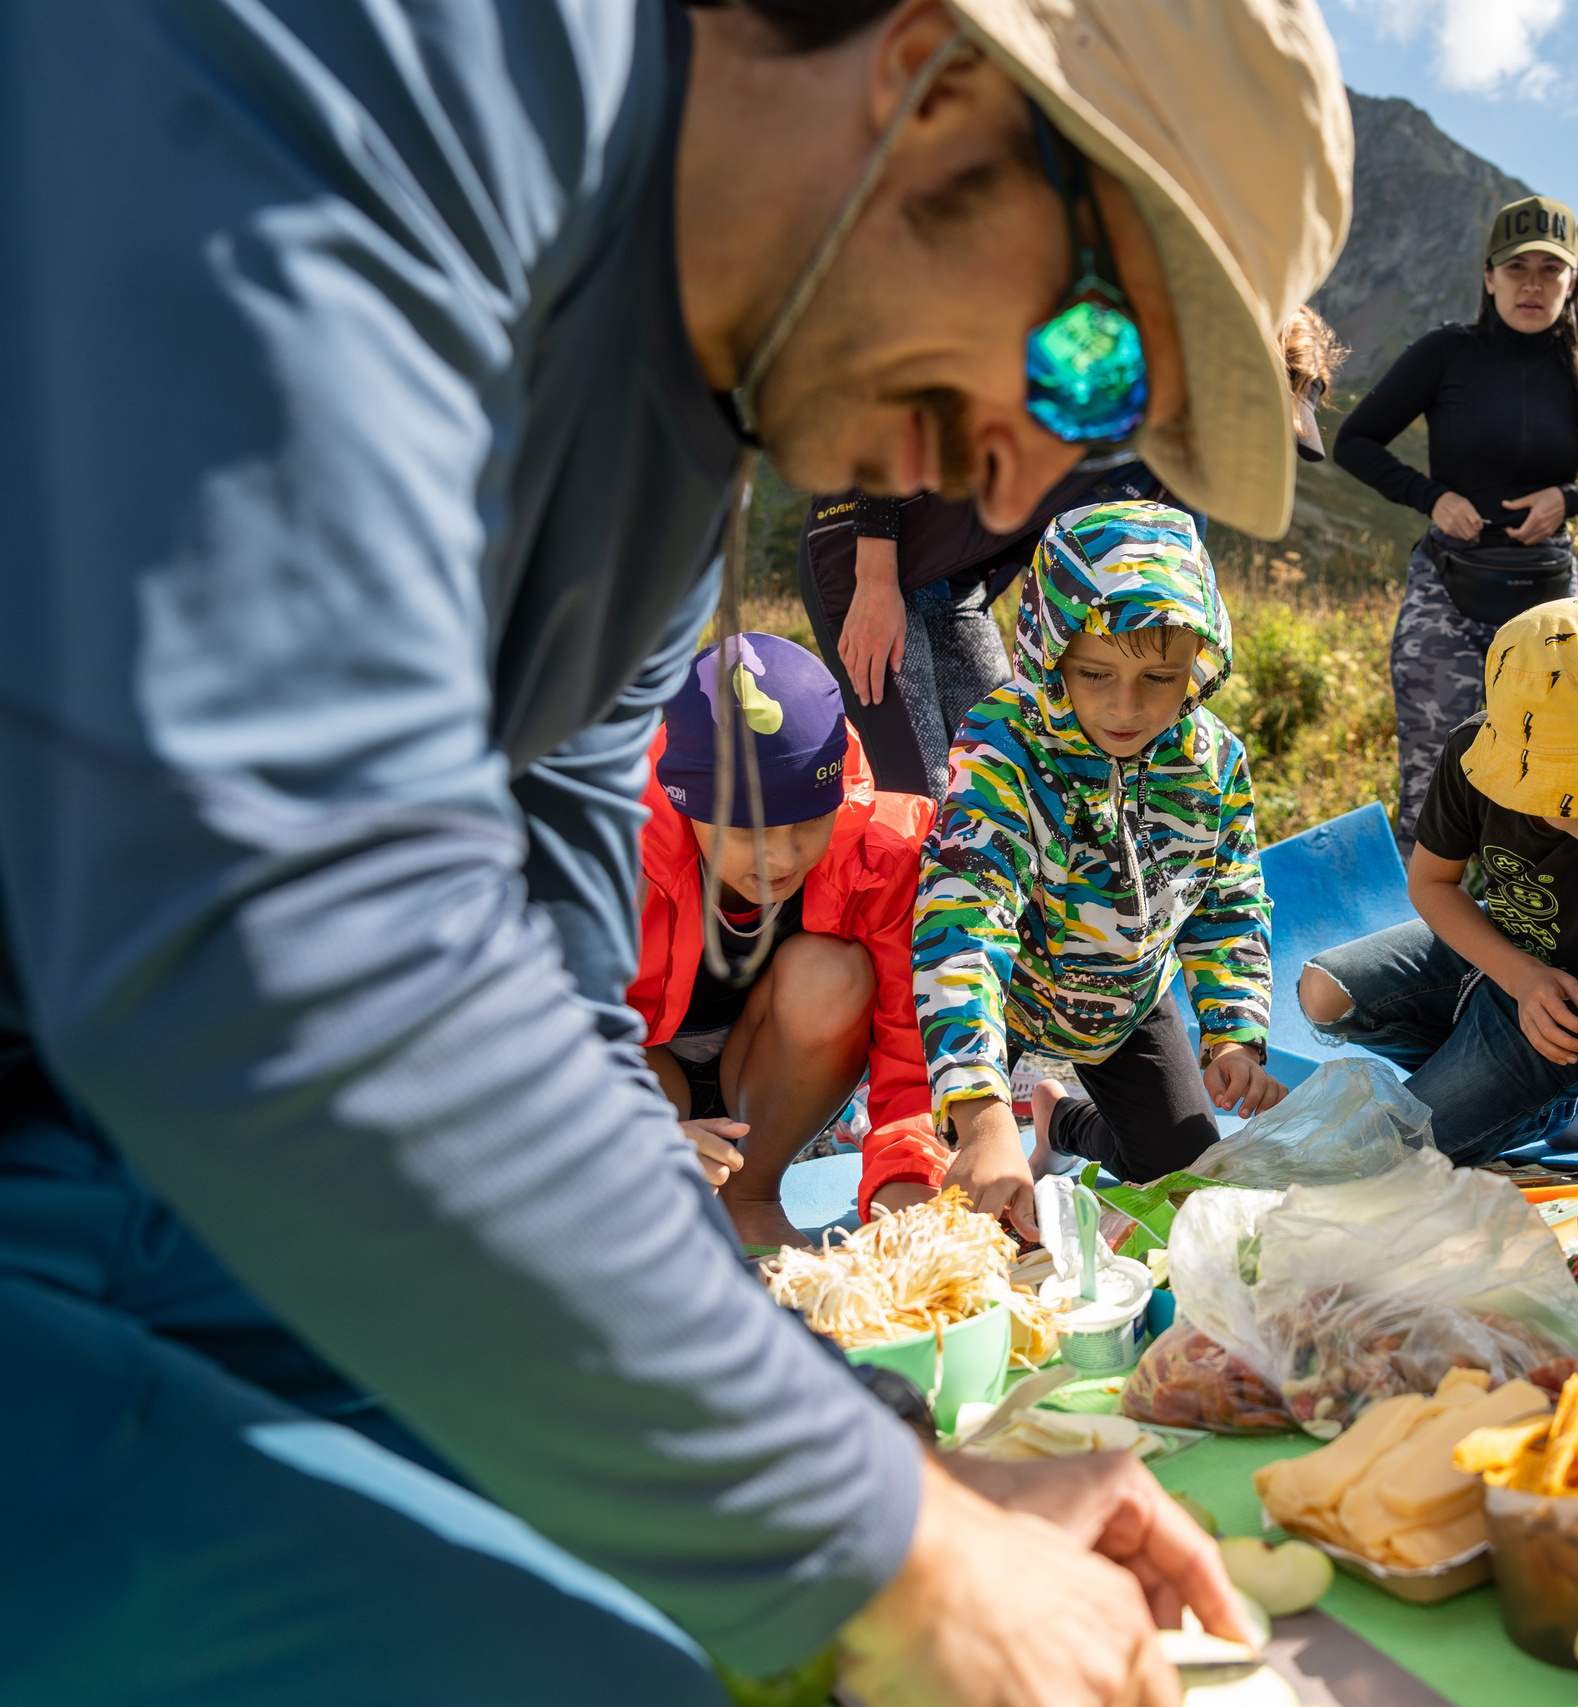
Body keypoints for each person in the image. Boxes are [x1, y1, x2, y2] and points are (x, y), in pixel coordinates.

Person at [0, 0, 1350, 1701]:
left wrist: (899, 1461)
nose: (1013, 485)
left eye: (1103, 430)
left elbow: (559, 1016)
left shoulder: (666, 455)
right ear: (933, 77)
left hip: (181, 1181)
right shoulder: (384, 59)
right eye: (1086, 361)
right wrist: (882, 1535)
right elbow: (273, 914)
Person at [913, 499, 1287, 1232]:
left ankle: (1064, 1124)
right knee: (953, 1206)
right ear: (1051, 652)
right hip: (1009, 995)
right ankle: (997, 1109)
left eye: (1160, 678)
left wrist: (1234, 1031)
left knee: (1187, 1181)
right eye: (1094, 672)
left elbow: (1228, 904)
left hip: (1125, 1004)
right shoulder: (1004, 746)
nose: (1125, 706)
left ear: (1200, 665)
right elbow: (964, 917)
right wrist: (982, 1109)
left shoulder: (1212, 762)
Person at [801, 305, 1348, 801]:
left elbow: (1175, 609)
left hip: (957, 587)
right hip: (866, 553)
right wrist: (874, 582)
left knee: (1004, 777)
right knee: (917, 795)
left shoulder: (1180, 471)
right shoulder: (1109, 358)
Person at [1298, 598, 1578, 1228]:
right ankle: (1500, 1085)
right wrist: (1520, 977)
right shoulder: (1474, 753)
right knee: (1321, 993)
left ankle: (1553, 1095)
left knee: (1378, 1160)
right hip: (1504, 955)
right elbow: (1431, 884)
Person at [1334, 195, 1578, 851]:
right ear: (1489, 276)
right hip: (1446, 593)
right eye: (1518, 268)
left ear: (1575, 281)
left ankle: (1524, 932)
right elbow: (1355, 440)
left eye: (1552, 268)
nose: (1534, 284)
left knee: (1550, 778)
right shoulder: (1445, 352)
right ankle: (1423, 937)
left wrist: (1567, 500)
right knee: (1434, 786)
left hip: (1549, 603)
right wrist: (1431, 497)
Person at [630, 634, 948, 1249]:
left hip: (770, 1078)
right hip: (640, 1073)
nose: (779, 858)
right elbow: (549, 1030)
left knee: (835, 974)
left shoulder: (877, 851)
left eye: (807, 823)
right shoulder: (613, 850)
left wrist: (908, 1180)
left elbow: (911, 1042)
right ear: (684, 805)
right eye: (743, 832)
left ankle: (750, 1196)